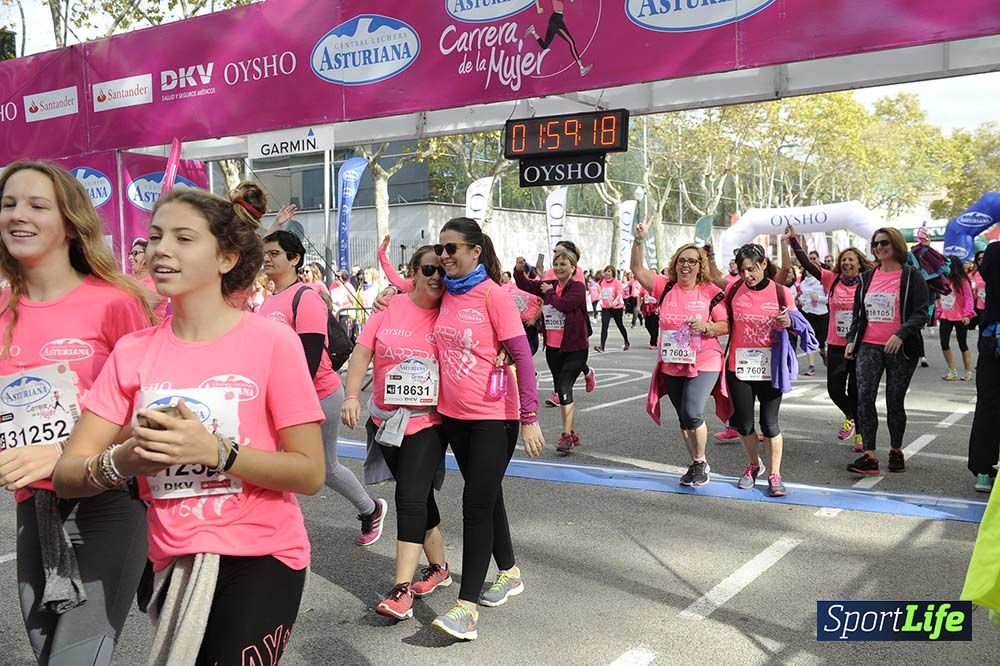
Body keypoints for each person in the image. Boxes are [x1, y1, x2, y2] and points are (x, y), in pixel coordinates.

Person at [53, 187, 326, 665]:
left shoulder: (272, 342)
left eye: (183, 238)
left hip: (262, 555)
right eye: (156, 236)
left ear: (226, 258)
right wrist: (125, 459)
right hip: (170, 561)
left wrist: (218, 451)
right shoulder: (133, 352)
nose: (161, 249)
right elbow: (67, 474)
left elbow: (309, 472)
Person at [0, 160, 154, 666]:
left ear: (69, 222)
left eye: (37, 205)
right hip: (36, 508)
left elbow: (153, 413)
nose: (18, 215)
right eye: (8, 204)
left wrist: (63, 451)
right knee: (50, 652)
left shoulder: (115, 302)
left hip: (111, 498)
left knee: (74, 657)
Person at [428, 217, 544, 641]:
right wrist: (389, 297)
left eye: (452, 248)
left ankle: (466, 608)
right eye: (440, 249)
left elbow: (523, 357)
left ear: (475, 250)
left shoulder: (493, 296)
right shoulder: (444, 293)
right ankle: (510, 573)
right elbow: (410, 295)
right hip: (454, 417)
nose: (444, 256)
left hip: (495, 418)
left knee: (475, 503)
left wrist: (529, 417)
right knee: (488, 496)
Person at [341, 246, 453, 621]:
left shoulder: (450, 313)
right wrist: (352, 396)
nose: (436, 276)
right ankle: (439, 568)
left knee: (409, 498)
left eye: (442, 271)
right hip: (384, 420)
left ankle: (401, 589)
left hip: (427, 422)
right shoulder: (391, 307)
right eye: (428, 269)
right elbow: (361, 352)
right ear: (413, 272)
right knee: (419, 497)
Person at [260, 228, 385, 545]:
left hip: (317, 396)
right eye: (266, 253)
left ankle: (369, 510)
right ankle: (269, 526)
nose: (267, 259)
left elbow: (310, 360)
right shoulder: (269, 301)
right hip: (280, 397)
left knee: (323, 467)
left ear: (294, 259)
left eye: (274, 253)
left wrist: (281, 399)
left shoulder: (307, 298)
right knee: (271, 461)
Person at [633, 224, 728, 486]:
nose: (686, 265)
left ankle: (699, 462)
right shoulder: (665, 287)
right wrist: (638, 239)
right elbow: (638, 269)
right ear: (675, 264)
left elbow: (726, 324)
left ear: (700, 266)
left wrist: (708, 327)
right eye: (682, 260)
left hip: (705, 359)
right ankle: (698, 461)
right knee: (684, 417)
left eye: (692, 261)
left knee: (692, 411)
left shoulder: (709, 291)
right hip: (672, 361)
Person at [846, 227, 929, 475]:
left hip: (901, 350)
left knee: (895, 400)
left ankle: (896, 450)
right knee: (864, 398)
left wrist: (901, 334)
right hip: (869, 346)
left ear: (895, 245)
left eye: (884, 243)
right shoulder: (866, 279)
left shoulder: (912, 277)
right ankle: (870, 456)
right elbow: (858, 315)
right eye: (875, 244)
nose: (879, 247)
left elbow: (921, 313)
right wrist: (852, 339)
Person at [786, 226, 872, 452]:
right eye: (844, 260)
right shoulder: (832, 280)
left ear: (859, 263)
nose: (846, 263)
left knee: (855, 390)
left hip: (860, 345)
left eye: (851, 260)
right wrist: (794, 241)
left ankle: (861, 436)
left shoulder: (868, 282)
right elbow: (807, 264)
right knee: (835, 390)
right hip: (836, 344)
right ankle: (851, 416)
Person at [724, 243, 798, 497]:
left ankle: (775, 474)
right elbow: (722, 320)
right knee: (744, 425)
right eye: (743, 270)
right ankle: (754, 464)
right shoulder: (733, 290)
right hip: (739, 367)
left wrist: (787, 321)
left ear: (764, 264)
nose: (747, 276)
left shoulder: (780, 292)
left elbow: (796, 322)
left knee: (769, 424)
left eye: (752, 269)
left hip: (770, 368)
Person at [514, 247, 590, 454]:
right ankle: (572, 432)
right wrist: (518, 271)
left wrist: (549, 294)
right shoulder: (551, 285)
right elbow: (525, 285)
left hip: (575, 348)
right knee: (564, 390)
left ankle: (566, 436)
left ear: (573, 268)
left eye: (563, 264)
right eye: (556, 264)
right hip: (553, 349)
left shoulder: (577, 288)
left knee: (564, 388)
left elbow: (565, 305)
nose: (558, 268)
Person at [968, 241, 1000, 493]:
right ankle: (983, 469)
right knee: (989, 404)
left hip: (993, 337)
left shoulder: (995, 251)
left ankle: (984, 469)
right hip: (994, 338)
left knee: (989, 404)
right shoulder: (995, 251)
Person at [524, 0, 592, 76]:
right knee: (571, 42)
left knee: (544, 46)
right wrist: (538, 8)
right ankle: (581, 68)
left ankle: (533, 31)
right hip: (556, 21)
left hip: (556, 19)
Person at [938, 255, 976, 381]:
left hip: (960, 316)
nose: (945, 267)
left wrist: (967, 314)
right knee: (944, 342)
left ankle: (968, 371)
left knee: (962, 343)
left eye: (947, 264)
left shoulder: (963, 280)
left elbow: (969, 298)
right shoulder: (943, 279)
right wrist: (939, 312)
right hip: (946, 315)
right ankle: (952, 370)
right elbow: (940, 298)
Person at [795, 259, 828, 376]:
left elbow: (830, 299)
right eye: (807, 269)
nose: (809, 272)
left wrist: (818, 298)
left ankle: (823, 352)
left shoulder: (823, 282)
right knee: (809, 339)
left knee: (821, 341)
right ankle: (811, 366)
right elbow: (801, 297)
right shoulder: (803, 284)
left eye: (812, 269)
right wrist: (801, 301)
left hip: (822, 314)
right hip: (808, 313)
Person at [129, 237, 170, 319]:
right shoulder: (129, 279)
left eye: (135, 253)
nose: (130, 258)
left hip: (149, 331)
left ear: (148, 255)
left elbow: (140, 309)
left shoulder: (157, 281)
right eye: (130, 254)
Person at [595, 266, 629, 352]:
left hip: (616, 307)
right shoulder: (602, 282)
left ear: (613, 273)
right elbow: (602, 292)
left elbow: (619, 293)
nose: (607, 273)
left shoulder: (617, 283)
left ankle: (626, 341)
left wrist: (615, 301)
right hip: (606, 307)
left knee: (620, 325)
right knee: (604, 326)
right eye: (606, 271)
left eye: (609, 271)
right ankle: (602, 346)